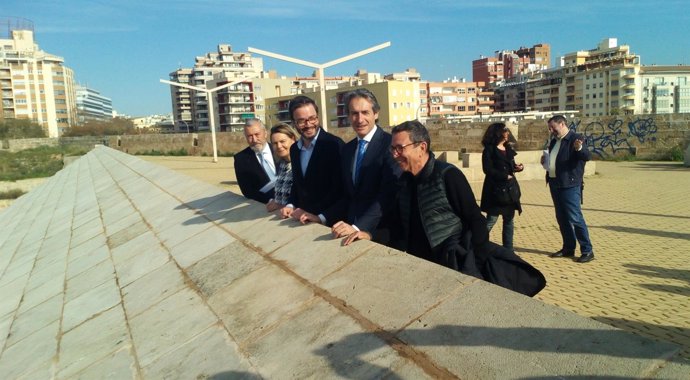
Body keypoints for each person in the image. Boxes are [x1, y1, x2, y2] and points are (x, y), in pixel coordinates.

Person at [346, 120, 545, 296]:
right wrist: (369, 235)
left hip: (453, 266)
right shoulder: (404, 182)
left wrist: (476, 263)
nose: (395, 154)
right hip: (423, 268)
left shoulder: (448, 175)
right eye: (392, 149)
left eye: (400, 148)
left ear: (421, 147)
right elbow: (397, 226)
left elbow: (475, 219)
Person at [299, 89, 401, 242]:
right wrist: (321, 217)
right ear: (348, 116)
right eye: (354, 113)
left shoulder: (390, 145)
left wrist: (358, 227)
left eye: (365, 112)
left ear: (376, 113)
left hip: (380, 233)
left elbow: (387, 196)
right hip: (350, 231)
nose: (359, 119)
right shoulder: (348, 149)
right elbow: (347, 196)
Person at [280, 96, 344, 224]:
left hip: (330, 222)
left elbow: (340, 190)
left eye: (312, 118)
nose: (308, 125)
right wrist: (290, 205)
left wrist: (318, 215)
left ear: (318, 117)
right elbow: (298, 185)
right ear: (293, 123)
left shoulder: (335, 145)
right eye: (302, 121)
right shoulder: (294, 149)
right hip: (303, 219)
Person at [543, 115, 595, 263]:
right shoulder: (554, 141)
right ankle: (568, 248)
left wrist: (579, 148)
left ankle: (587, 250)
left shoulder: (575, 138)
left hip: (569, 185)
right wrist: (546, 161)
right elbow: (554, 160)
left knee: (575, 217)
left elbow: (586, 156)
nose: (550, 130)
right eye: (550, 127)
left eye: (553, 127)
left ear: (562, 124)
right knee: (562, 218)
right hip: (555, 184)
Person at [480, 122, 524, 250]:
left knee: (509, 221)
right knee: (491, 220)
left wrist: (518, 168)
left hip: (509, 191)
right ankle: (477, 244)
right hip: (496, 191)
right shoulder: (489, 149)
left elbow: (511, 166)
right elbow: (487, 169)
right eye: (506, 131)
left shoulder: (508, 148)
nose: (508, 133)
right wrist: (504, 176)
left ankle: (508, 250)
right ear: (498, 133)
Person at [234, 118, 276, 203]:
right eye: (250, 136)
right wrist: (271, 201)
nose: (254, 140)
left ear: (265, 133)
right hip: (265, 206)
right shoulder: (241, 159)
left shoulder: (280, 150)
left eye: (257, 134)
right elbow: (248, 191)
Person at [266, 123, 298, 212]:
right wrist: (273, 200)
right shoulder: (282, 164)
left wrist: (280, 206)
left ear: (293, 139)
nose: (279, 146)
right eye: (275, 143)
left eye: (282, 141)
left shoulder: (301, 164)